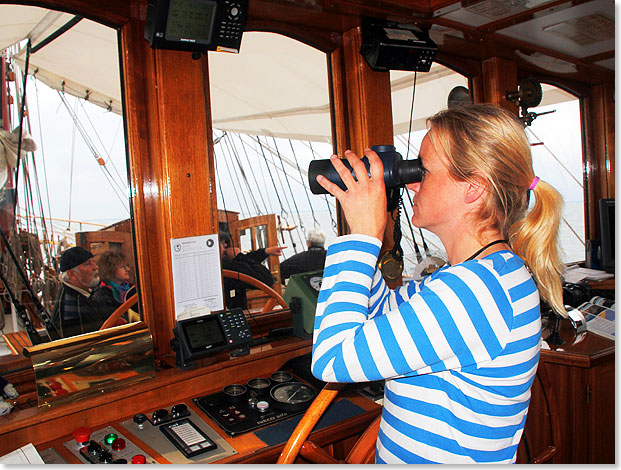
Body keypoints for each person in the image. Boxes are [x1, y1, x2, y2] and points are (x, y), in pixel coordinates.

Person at [310, 104, 566, 464]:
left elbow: (332, 360)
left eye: (423, 170)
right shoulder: (483, 275)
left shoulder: (474, 292)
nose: (411, 182)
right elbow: (381, 312)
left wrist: (362, 237)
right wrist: (370, 230)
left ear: (473, 189)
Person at [51, 246, 118, 337]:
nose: (95, 267)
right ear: (72, 274)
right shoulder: (71, 308)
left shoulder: (82, 293)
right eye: (87, 264)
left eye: (93, 262)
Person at [219, 232, 285, 309]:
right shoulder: (226, 265)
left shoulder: (223, 264)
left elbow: (246, 262)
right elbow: (266, 279)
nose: (225, 245)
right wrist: (239, 256)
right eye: (222, 242)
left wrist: (265, 252)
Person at [91, 250, 136, 322]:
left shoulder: (132, 288)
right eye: (123, 267)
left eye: (127, 266)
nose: (128, 269)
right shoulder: (102, 293)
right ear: (110, 269)